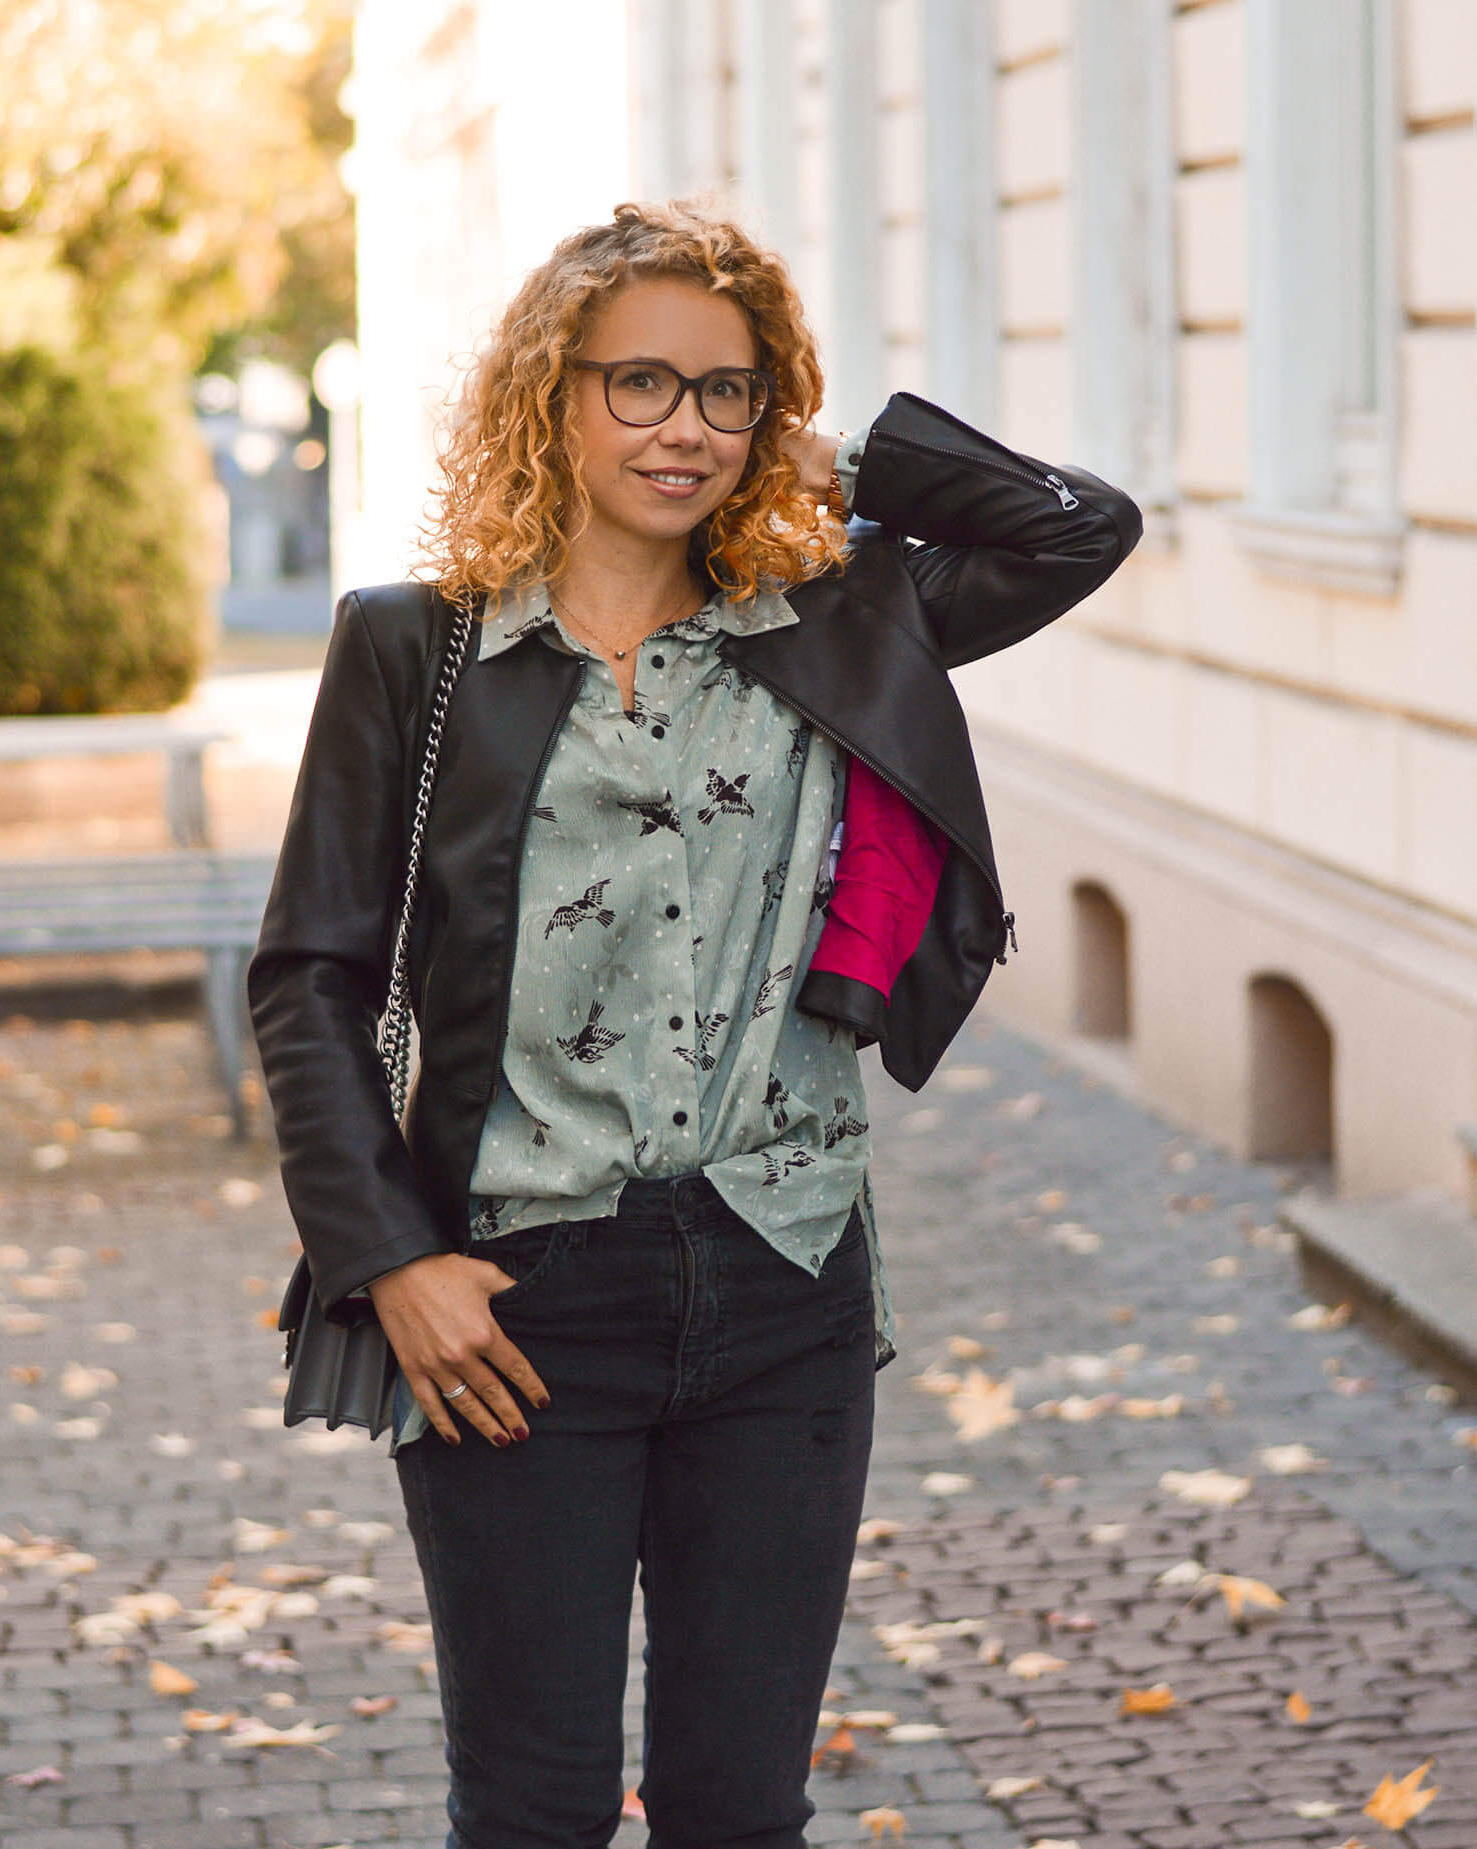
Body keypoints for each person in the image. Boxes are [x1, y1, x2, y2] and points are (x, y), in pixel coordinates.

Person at [248, 199, 1142, 1849]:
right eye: (639, 382)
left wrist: (839, 455)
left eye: (726, 391)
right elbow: (308, 971)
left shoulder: (842, 614)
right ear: (553, 393)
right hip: (516, 1296)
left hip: (785, 1272)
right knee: (535, 1807)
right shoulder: (418, 645)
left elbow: (1081, 526)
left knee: (741, 1805)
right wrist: (388, 1256)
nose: (684, 428)